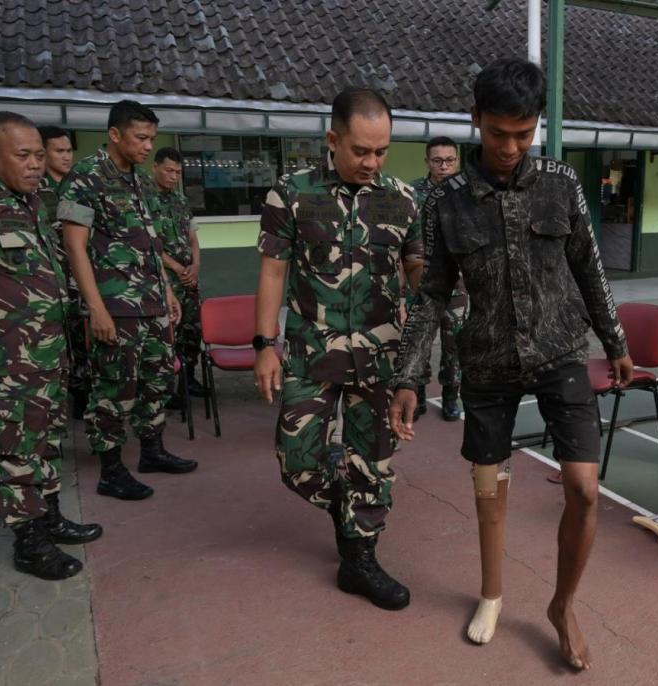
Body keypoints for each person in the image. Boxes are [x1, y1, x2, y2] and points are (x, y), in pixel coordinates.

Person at [389, 58, 633, 671]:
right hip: (488, 360)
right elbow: (432, 294)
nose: (510, 146)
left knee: (582, 488)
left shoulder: (560, 182)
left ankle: (563, 604)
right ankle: (492, 594)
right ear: (476, 121)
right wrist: (409, 377)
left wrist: (617, 341)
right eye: (499, 133)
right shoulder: (444, 199)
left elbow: (589, 269)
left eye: (524, 134)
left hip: (560, 352)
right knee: (488, 490)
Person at [253, 87, 423, 611]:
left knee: (373, 461)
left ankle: (359, 559)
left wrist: (434, 284)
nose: (372, 162)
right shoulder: (292, 194)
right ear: (333, 139)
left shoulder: (403, 198)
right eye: (360, 151)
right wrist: (264, 344)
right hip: (311, 351)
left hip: (379, 355)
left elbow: (415, 268)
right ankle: (350, 507)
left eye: (381, 151)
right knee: (297, 462)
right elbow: (273, 271)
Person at [0, 112, 101, 580]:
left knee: (45, 440)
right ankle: (29, 543)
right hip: (5, 360)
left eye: (38, 155)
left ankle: (48, 517)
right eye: (23, 155)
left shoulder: (32, 202)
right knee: (15, 449)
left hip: (46, 355)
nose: (34, 165)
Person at [58, 99, 197, 502]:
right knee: (115, 387)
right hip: (115, 308)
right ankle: (111, 469)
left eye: (152, 138)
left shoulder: (139, 180)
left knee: (157, 378)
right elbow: (74, 247)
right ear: (114, 134)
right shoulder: (85, 178)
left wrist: (168, 291)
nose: (147, 146)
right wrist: (96, 307)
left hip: (151, 302)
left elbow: (150, 243)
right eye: (141, 138)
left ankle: (152, 451)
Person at [408, 137, 464, 421]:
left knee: (454, 343)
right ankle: (416, 395)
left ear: (457, 160)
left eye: (450, 160)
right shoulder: (412, 192)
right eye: (437, 160)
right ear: (427, 161)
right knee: (420, 339)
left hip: (457, 283)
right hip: (423, 281)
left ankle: (451, 397)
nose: (444, 166)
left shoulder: (469, 192)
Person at [37, 125, 91, 418]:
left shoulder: (82, 185)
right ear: (43, 153)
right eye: (59, 151)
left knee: (84, 339)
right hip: (49, 282)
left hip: (81, 278)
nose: (66, 156)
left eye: (69, 150)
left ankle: (83, 396)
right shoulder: (33, 190)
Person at [152, 147, 206, 399]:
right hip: (164, 282)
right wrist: (176, 267)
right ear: (155, 168)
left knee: (192, 332)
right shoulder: (144, 201)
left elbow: (193, 239)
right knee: (167, 334)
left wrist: (195, 266)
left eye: (178, 172)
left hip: (189, 281)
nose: (174, 177)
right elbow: (148, 243)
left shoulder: (181, 201)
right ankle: (166, 389)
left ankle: (188, 380)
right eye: (169, 171)